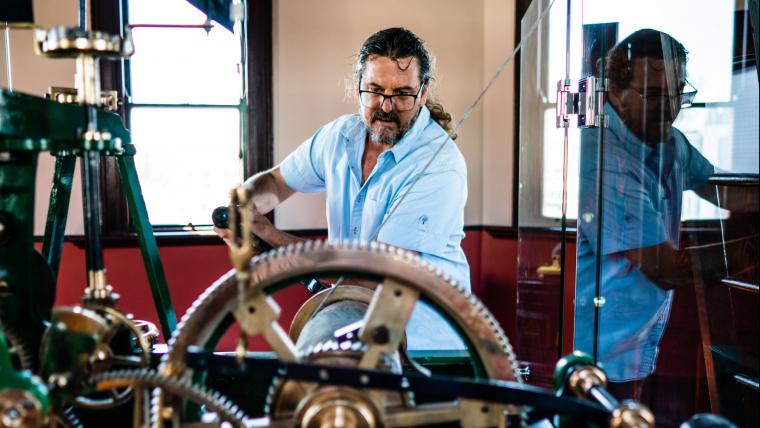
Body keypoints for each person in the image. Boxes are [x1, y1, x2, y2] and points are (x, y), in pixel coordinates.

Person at [215, 27, 470, 349]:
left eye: (402, 94)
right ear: (357, 87)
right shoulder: (339, 137)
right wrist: (247, 203)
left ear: (422, 92)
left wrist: (269, 236)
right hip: (358, 325)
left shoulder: (438, 164)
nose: (386, 107)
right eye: (375, 90)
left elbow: (378, 277)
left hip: (424, 346)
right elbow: (277, 182)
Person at [573, 29, 718, 399]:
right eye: (654, 95)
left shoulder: (669, 141)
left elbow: (721, 188)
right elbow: (665, 268)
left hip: (635, 344)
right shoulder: (605, 156)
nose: (670, 108)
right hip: (596, 358)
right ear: (617, 94)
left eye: (677, 93)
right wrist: (746, 254)